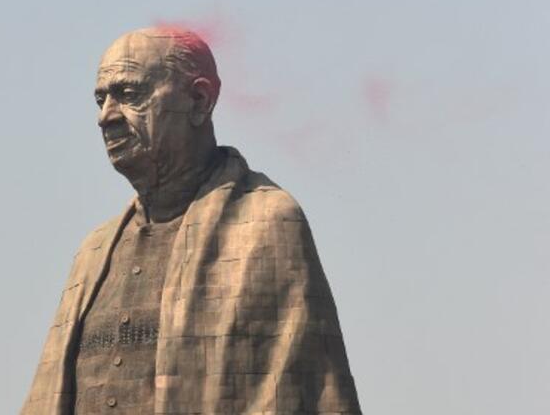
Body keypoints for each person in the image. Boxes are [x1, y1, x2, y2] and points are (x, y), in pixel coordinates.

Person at [21, 27, 362, 414]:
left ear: (199, 101)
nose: (106, 117)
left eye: (129, 95)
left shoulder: (265, 226)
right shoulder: (93, 252)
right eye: (100, 99)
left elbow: (296, 394)